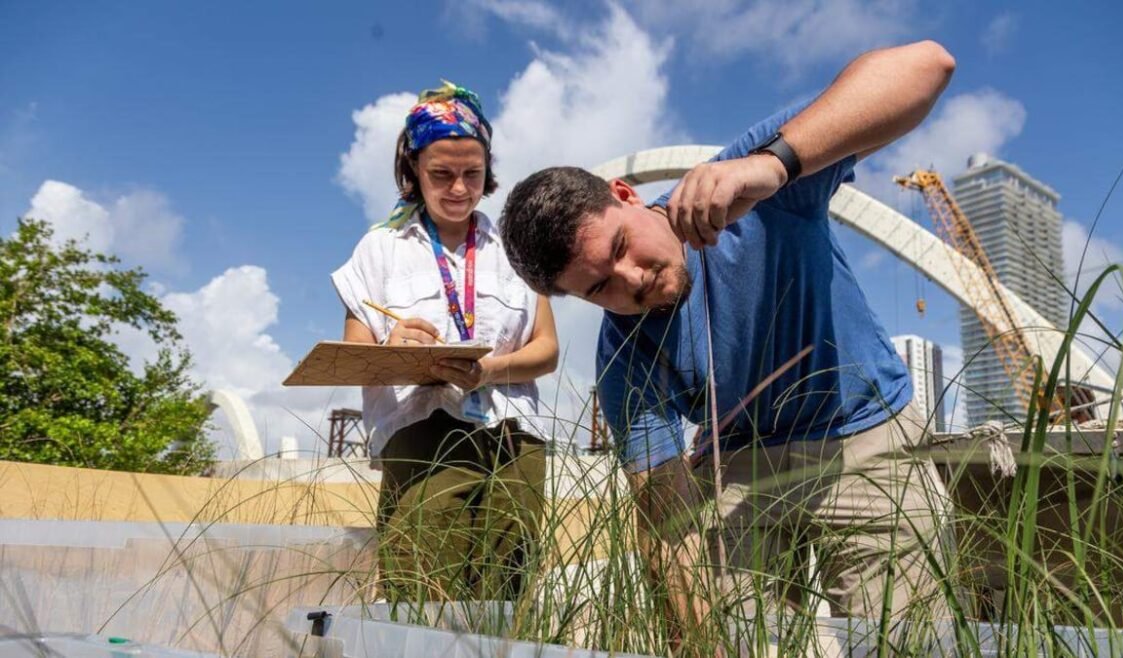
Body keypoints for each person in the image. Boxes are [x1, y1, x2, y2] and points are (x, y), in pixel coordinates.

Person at [500, 42, 957, 647]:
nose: (632, 281)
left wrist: (777, 165)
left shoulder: (748, 182)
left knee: (908, 639)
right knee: (737, 632)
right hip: (738, 461)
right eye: (599, 288)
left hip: (866, 434)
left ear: (627, 195)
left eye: (618, 250)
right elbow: (668, 522)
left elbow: (929, 65)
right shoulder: (623, 358)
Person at [332, 81, 558, 604]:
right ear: (412, 170)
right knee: (422, 596)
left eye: (472, 174)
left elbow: (545, 348)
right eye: (441, 175)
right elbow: (353, 357)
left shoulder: (515, 246)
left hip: (514, 441)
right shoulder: (379, 248)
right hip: (422, 434)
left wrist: (491, 370)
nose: (458, 188)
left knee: (507, 601)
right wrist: (396, 349)